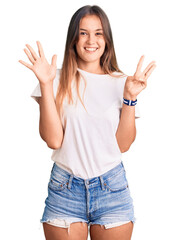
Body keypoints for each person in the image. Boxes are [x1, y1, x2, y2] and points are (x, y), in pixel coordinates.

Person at [19, 5, 156, 240]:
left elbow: (122, 145)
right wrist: (45, 84)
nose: (91, 40)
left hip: (111, 188)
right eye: (83, 33)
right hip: (65, 189)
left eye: (98, 33)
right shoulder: (54, 77)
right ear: (73, 38)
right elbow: (53, 140)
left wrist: (130, 98)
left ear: (107, 40)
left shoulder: (123, 83)